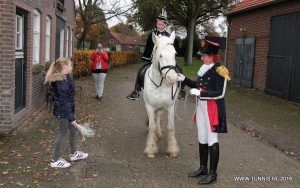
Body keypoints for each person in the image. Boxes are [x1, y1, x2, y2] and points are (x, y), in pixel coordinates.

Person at [178, 40, 231, 184]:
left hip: (213, 109)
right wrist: (184, 79)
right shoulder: (204, 67)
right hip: (201, 108)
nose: (201, 58)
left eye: (204, 56)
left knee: (212, 139)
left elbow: (220, 93)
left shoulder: (221, 70)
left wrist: (200, 94)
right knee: (202, 137)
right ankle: (203, 168)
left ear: (212, 56)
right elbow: (197, 85)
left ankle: (213, 174)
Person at [126, 8, 186, 100]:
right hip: (152, 59)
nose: (159, 26)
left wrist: (173, 58)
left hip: (165, 60)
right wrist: (147, 57)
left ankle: (180, 90)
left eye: (161, 24)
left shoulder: (168, 35)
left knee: (179, 70)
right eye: (158, 24)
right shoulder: (152, 34)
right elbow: (148, 46)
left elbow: (171, 48)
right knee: (141, 70)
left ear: (165, 25)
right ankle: (136, 90)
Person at [44, 57, 88, 168]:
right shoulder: (60, 82)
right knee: (62, 133)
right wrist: (71, 117)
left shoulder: (66, 77)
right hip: (63, 112)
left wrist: (71, 115)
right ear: (64, 67)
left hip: (67, 110)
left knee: (73, 130)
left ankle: (73, 153)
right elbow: (64, 102)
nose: (72, 67)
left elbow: (70, 97)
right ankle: (55, 160)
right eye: (70, 65)